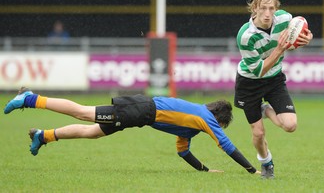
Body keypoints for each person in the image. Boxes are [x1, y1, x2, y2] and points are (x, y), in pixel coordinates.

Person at [4, 87, 258, 174]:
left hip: (140, 114)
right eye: (222, 125)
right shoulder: (205, 118)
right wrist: (251, 170)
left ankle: (44, 136)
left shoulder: (191, 125)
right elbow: (227, 145)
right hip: (140, 110)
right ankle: (30, 98)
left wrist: (204, 170)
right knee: (83, 112)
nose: (219, 128)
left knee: (93, 132)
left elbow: (183, 152)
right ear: (219, 118)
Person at [234, 0, 313, 179]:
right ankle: (266, 162)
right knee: (259, 133)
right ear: (255, 9)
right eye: (263, 8)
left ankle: (264, 109)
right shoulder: (245, 36)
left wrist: (307, 38)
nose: (268, 14)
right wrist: (278, 50)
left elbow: (302, 33)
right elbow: (258, 70)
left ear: (276, 8)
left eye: (271, 8)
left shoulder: (285, 19)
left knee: (290, 125)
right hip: (250, 82)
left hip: (274, 79)